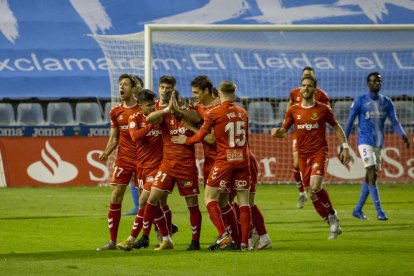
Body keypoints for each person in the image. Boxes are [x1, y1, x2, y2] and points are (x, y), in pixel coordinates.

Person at [172, 80, 252, 251]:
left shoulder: (214, 113)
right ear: (234, 93)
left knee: (210, 198)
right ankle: (245, 243)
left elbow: (202, 136)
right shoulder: (243, 112)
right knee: (244, 202)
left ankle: (224, 236)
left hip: (224, 160)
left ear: (217, 92)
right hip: (243, 160)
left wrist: (186, 139)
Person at [271, 74, 350, 240]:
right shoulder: (293, 110)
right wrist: (277, 133)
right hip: (303, 154)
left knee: (315, 186)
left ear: (315, 89)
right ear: (300, 88)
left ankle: (332, 215)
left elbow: (337, 127)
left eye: (309, 86)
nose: (305, 88)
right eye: (303, 85)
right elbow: (284, 131)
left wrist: (345, 147)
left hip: (319, 152)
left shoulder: (323, 109)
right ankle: (332, 222)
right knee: (312, 194)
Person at [135, 89, 202, 251]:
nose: (174, 105)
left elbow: (199, 120)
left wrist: (181, 114)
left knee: (192, 205)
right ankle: (145, 236)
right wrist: (166, 109)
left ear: (182, 103)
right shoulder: (164, 116)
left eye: (177, 102)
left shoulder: (189, 116)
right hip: (167, 166)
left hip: (186, 167)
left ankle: (195, 242)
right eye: (172, 102)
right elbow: (149, 118)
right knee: (152, 199)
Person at [345, 72, 410, 221]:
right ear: (368, 83)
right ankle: (380, 212)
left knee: (370, 177)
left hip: (378, 144)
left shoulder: (386, 102)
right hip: (364, 141)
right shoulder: (360, 101)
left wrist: (403, 135)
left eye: (379, 81)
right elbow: (349, 122)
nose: (377, 83)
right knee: (371, 172)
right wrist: (345, 143)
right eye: (374, 81)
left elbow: (395, 121)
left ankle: (357, 210)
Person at [116, 89, 165, 251]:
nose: (152, 108)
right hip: (142, 167)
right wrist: (151, 124)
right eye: (148, 106)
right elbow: (135, 136)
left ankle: (134, 238)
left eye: (153, 105)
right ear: (141, 106)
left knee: (144, 201)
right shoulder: (135, 117)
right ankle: (166, 237)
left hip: (158, 167)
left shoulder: (160, 117)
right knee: (154, 205)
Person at [96, 74, 140, 250]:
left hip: (143, 159)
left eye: (126, 84)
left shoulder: (142, 109)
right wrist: (107, 152)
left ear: (134, 88)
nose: (122, 87)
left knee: (150, 199)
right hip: (123, 159)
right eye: (120, 84)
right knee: (115, 196)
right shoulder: (115, 111)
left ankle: (160, 236)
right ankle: (112, 241)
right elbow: (114, 138)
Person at [287, 67, 330, 209]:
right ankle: (301, 193)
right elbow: (289, 109)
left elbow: (328, 114)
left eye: (309, 76)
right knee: (295, 163)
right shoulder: (294, 93)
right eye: (304, 76)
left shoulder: (322, 96)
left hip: (314, 135)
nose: (306, 86)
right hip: (299, 133)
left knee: (314, 186)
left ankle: (316, 190)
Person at [124, 75, 145, 216]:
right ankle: (137, 206)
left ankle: (146, 206)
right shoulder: (128, 105)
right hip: (132, 145)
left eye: (137, 84)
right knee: (133, 176)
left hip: (146, 146)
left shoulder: (145, 103)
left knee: (145, 177)